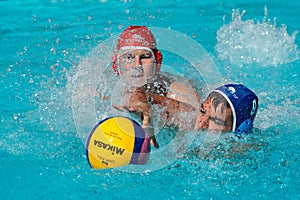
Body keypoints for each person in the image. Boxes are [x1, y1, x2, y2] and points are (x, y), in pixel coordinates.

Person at [111, 26, 200, 147]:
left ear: (157, 62)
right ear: (116, 63)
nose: (137, 65)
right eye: (128, 57)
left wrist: (149, 102)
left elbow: (197, 120)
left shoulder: (176, 90)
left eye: (145, 57)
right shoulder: (100, 89)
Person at [123, 83, 259, 137]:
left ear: (239, 129)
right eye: (202, 111)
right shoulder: (186, 116)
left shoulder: (241, 152)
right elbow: (138, 92)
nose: (200, 123)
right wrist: (140, 104)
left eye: (215, 121)